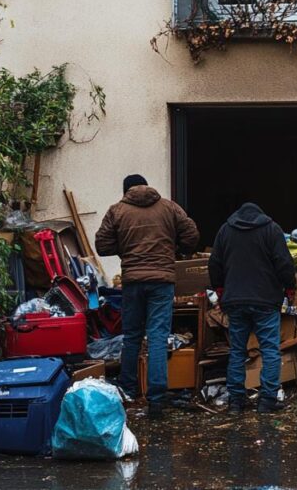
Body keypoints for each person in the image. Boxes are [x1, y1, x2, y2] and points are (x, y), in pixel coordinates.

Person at [95, 174, 199, 418]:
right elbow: (192, 235)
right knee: (158, 337)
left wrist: (124, 247)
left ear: (126, 191)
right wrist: (176, 247)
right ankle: (157, 399)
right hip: (162, 281)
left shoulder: (117, 211)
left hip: (133, 282)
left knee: (131, 336)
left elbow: (102, 245)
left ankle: (128, 390)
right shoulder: (168, 207)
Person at [208, 202, 296, 414]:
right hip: (265, 300)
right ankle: (267, 400)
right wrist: (290, 288)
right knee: (270, 351)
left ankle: (236, 402)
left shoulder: (225, 230)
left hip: (235, 301)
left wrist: (220, 290)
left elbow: (214, 264)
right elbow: (284, 263)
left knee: (237, 351)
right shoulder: (271, 229)